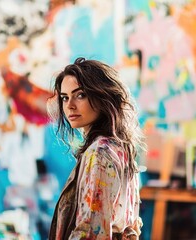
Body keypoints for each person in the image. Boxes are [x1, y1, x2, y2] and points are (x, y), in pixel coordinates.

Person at [47, 57, 145, 239]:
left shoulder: (99, 153)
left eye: (80, 95)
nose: (70, 105)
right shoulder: (120, 147)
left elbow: (90, 231)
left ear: (102, 96)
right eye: (64, 97)